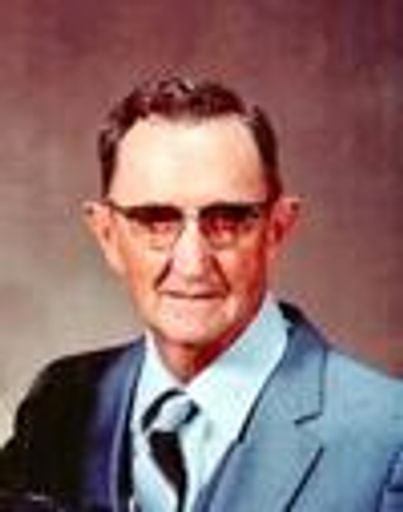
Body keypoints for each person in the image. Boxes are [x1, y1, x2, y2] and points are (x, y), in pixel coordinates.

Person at [0, 76, 402, 512]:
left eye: (227, 220)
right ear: (107, 235)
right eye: (156, 220)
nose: (192, 264)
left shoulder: (387, 440)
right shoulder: (60, 404)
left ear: (277, 229)